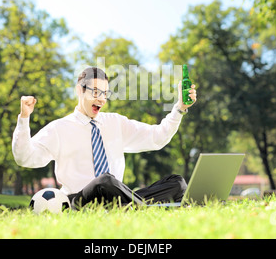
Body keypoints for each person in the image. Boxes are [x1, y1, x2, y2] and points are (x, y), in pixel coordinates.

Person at [12, 67, 197, 208]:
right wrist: (24, 118)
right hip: (79, 200)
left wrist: (179, 108)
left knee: (176, 183)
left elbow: (158, 137)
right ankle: (145, 208)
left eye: (105, 93)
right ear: (80, 90)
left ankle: (135, 208)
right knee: (105, 181)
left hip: (117, 198)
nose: (101, 99)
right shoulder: (59, 128)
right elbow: (25, 157)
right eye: (95, 92)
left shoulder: (115, 122)